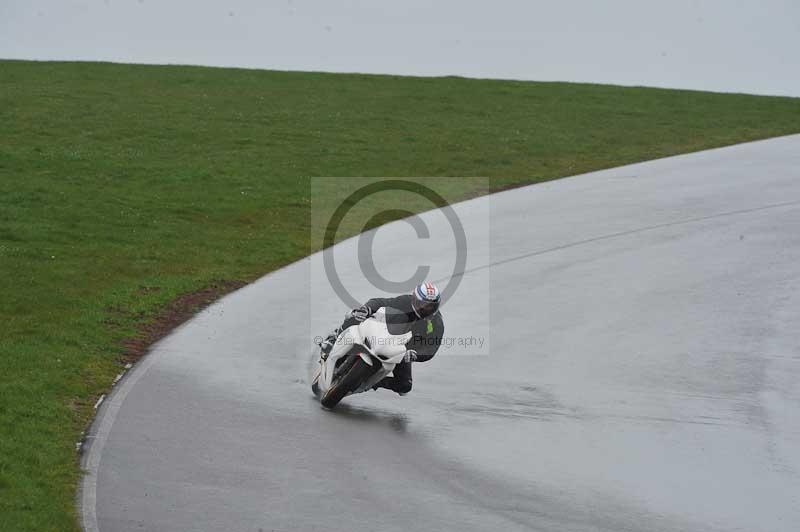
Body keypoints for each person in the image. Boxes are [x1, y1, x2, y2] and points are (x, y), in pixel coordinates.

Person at [318, 282, 445, 395]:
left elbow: (432, 347)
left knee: (404, 386)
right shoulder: (406, 301)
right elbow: (381, 302)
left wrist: (415, 355)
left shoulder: (436, 323)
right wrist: (367, 308)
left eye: (430, 306)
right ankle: (333, 339)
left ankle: (372, 382)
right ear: (414, 299)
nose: (425, 308)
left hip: (402, 351)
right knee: (357, 315)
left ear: (436, 306)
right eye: (422, 304)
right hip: (383, 332)